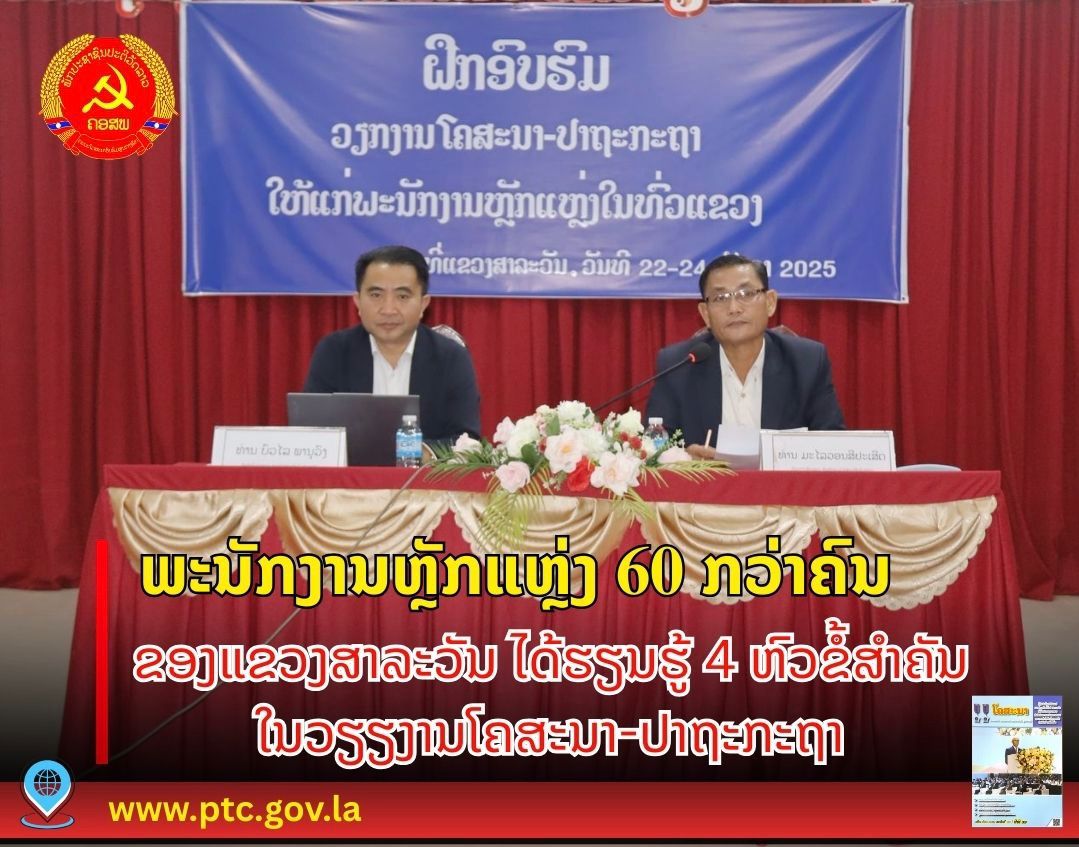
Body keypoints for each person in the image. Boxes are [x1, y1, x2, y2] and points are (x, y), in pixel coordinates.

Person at [645, 253, 845, 453]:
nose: (734, 308)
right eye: (720, 298)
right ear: (705, 314)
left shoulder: (807, 363)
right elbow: (653, 449)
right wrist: (685, 459)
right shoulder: (678, 366)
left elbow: (832, 445)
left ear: (770, 302)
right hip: (707, 475)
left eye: (746, 294)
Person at [303, 245, 481, 443]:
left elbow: (466, 440)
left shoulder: (450, 357)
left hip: (423, 465)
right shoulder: (334, 352)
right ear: (358, 301)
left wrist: (413, 451)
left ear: (423, 304)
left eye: (402, 296)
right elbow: (313, 433)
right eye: (376, 295)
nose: (388, 309)